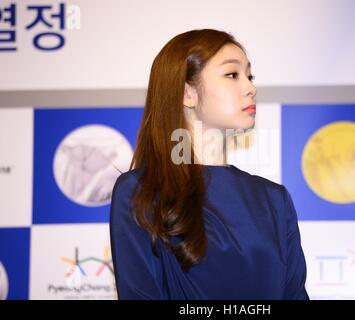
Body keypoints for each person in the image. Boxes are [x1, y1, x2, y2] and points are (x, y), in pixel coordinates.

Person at [109, 29, 309, 300]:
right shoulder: (140, 191)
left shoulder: (274, 199)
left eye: (249, 76)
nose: (251, 88)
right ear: (187, 93)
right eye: (232, 74)